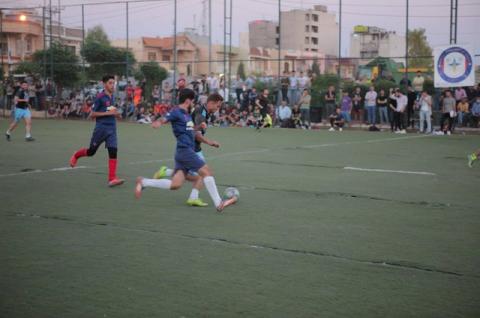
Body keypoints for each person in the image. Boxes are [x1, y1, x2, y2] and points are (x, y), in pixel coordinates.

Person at [135, 89, 237, 212]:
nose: (194, 103)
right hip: (185, 151)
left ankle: (144, 182)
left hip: (183, 152)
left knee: (176, 184)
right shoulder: (177, 112)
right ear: (188, 100)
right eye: (193, 100)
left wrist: (199, 126)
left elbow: (190, 130)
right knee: (207, 172)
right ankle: (218, 203)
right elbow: (166, 117)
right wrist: (158, 122)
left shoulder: (186, 114)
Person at [152, 93, 224, 207]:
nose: (218, 109)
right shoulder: (201, 113)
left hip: (193, 146)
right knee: (204, 173)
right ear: (211, 103)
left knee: (195, 174)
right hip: (191, 148)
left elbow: (192, 128)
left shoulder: (206, 112)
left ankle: (167, 173)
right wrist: (209, 142)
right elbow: (195, 134)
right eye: (218, 106)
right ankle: (200, 198)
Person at [69, 75, 124, 187]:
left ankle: (112, 179)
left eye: (113, 83)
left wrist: (117, 114)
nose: (112, 85)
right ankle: (76, 155)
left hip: (112, 129)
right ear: (104, 84)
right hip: (101, 129)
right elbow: (92, 114)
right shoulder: (100, 97)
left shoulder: (112, 96)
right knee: (91, 152)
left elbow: (110, 108)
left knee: (113, 151)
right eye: (110, 83)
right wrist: (107, 113)